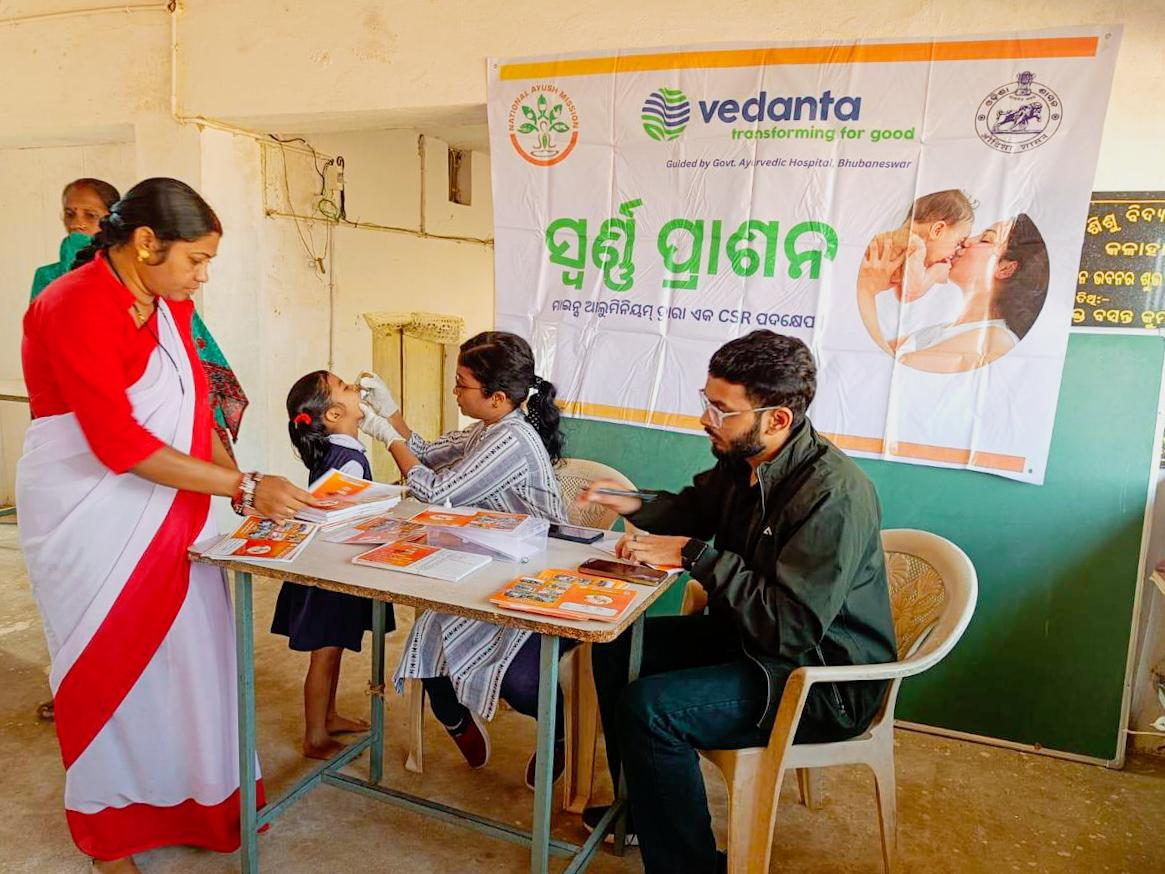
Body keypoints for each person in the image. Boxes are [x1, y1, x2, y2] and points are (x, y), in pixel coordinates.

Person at [17, 177, 323, 874]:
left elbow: (194, 408)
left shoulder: (167, 303)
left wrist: (239, 486)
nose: (202, 275)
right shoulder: (71, 304)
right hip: (89, 514)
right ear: (146, 242)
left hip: (173, 506)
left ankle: (198, 805)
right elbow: (119, 445)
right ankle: (111, 839)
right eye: (196, 259)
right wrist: (244, 486)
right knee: (112, 672)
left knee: (193, 663)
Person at [578, 330, 897, 874]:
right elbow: (693, 510)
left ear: (777, 419)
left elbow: (790, 630)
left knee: (650, 709)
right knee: (615, 647)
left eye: (721, 410)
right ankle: (645, 814)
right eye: (707, 401)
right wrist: (626, 501)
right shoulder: (743, 459)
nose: (705, 418)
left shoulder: (833, 494)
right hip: (752, 641)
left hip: (818, 677)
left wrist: (694, 556)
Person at [359, 331, 570, 787]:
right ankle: (456, 721)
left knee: (521, 684)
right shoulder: (487, 428)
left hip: (536, 579)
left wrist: (385, 437)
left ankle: (560, 736)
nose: (455, 392)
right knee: (428, 643)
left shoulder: (512, 439)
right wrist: (390, 412)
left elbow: (437, 491)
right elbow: (427, 454)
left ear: (497, 397)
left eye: (461, 384)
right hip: (492, 562)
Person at [272, 370, 394, 759]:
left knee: (335, 648)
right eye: (344, 387)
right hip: (329, 573)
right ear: (334, 414)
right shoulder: (348, 461)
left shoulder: (340, 451)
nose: (355, 388)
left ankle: (328, 716)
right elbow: (339, 519)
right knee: (324, 656)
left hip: (334, 567)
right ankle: (314, 736)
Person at [859, 214, 1050, 372]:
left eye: (985, 239)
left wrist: (867, 289)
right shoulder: (943, 330)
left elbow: (890, 371)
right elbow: (863, 355)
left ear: (1005, 268)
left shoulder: (997, 340)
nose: (967, 241)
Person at [872, 189, 974, 303]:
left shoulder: (899, 241)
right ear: (937, 230)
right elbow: (910, 292)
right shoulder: (916, 246)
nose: (954, 252)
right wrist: (935, 273)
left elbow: (902, 295)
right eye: (957, 243)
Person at [30, 178, 121, 302]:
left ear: (111, 219)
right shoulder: (46, 276)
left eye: (90, 215)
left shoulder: (127, 273)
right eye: (70, 214)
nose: (77, 224)